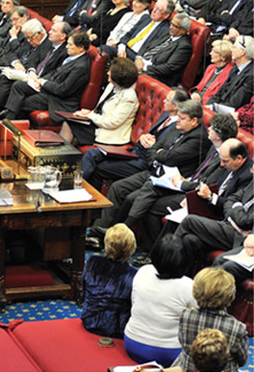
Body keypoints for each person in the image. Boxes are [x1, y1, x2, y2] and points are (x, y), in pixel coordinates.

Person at [86, 99, 211, 248]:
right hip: (154, 171)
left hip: (172, 182)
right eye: (178, 116)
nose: (177, 120)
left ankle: (116, 236)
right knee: (118, 188)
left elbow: (170, 158)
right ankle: (97, 234)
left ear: (194, 121)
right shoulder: (177, 127)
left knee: (132, 198)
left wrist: (158, 153)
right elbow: (154, 147)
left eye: (182, 118)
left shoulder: (199, 138)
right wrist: (156, 156)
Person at [126, 114, 240, 251]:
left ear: (219, 135)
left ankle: (152, 249)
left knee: (153, 204)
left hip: (199, 196)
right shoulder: (214, 147)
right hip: (189, 183)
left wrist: (182, 184)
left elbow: (207, 185)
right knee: (152, 187)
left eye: (212, 128)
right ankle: (139, 239)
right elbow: (200, 174)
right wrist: (187, 179)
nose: (208, 129)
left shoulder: (225, 158)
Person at [82, 87, 189, 199]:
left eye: (167, 100)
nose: (163, 101)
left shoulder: (178, 127)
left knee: (99, 167)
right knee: (92, 153)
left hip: (143, 162)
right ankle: (77, 191)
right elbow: (151, 135)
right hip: (134, 152)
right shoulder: (166, 115)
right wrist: (143, 137)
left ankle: (91, 201)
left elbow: (164, 150)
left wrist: (152, 145)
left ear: (175, 106)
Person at [123, 234, 196, 367]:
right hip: (168, 353)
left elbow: (134, 302)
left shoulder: (143, 271)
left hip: (132, 342)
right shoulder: (189, 286)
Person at [0, 20, 70, 116]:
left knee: (15, 86)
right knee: (0, 79)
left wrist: (39, 80)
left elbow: (56, 72)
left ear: (63, 36)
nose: (49, 32)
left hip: (42, 82)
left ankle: (2, 117)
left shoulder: (64, 51)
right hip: (30, 74)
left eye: (54, 31)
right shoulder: (50, 44)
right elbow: (34, 59)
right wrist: (32, 71)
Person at [3, 30, 91, 123]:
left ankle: (8, 123)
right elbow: (54, 72)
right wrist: (38, 80)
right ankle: (8, 121)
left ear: (81, 47)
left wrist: (43, 83)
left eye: (70, 45)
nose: (66, 47)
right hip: (50, 89)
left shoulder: (81, 67)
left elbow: (63, 89)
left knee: (22, 102)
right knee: (18, 85)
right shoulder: (72, 57)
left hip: (59, 100)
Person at [174, 160, 254, 262]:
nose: (251, 171)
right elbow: (230, 200)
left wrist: (236, 206)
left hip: (239, 236)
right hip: (231, 224)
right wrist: (235, 210)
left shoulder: (248, 177)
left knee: (189, 221)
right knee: (190, 239)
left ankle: (167, 259)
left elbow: (245, 221)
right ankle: (180, 270)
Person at [173, 267, 249, 372]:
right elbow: (242, 361)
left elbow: (182, 343)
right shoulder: (237, 328)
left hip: (188, 368)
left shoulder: (185, 315)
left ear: (195, 291)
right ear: (231, 295)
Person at [59, 57, 139, 147]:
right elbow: (100, 110)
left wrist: (90, 115)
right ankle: (61, 154)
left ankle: (59, 154)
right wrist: (88, 113)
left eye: (111, 71)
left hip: (109, 134)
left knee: (69, 126)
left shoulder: (129, 97)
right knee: (69, 122)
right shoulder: (111, 86)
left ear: (118, 75)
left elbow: (112, 123)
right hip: (99, 125)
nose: (108, 73)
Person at [81, 223, 137, 338]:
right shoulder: (133, 275)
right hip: (117, 328)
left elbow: (84, 291)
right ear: (131, 247)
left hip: (89, 321)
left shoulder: (92, 262)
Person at [107, 0, 175, 62]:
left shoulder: (166, 30)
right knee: (104, 50)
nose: (154, 11)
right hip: (124, 49)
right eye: (154, 7)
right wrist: (121, 48)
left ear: (166, 15)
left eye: (158, 10)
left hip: (136, 57)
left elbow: (150, 51)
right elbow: (128, 34)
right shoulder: (145, 18)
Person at [134, 12, 192, 87]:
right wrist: (139, 58)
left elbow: (168, 68)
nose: (170, 27)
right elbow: (147, 46)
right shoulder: (168, 34)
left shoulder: (184, 47)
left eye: (175, 26)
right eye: (171, 23)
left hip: (157, 75)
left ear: (184, 30)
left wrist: (144, 67)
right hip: (142, 64)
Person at [206, 35, 254, 110]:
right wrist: (208, 106)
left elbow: (235, 103)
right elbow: (219, 93)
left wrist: (213, 108)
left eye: (234, 47)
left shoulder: (251, 75)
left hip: (230, 113)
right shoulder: (235, 69)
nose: (231, 50)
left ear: (242, 52)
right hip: (219, 108)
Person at [190, 39, 234, 105]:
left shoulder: (230, 72)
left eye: (214, 52)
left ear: (223, 57)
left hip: (209, 104)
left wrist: (201, 101)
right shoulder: (211, 67)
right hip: (197, 100)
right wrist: (195, 93)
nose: (210, 53)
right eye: (211, 51)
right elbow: (200, 86)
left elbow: (219, 96)